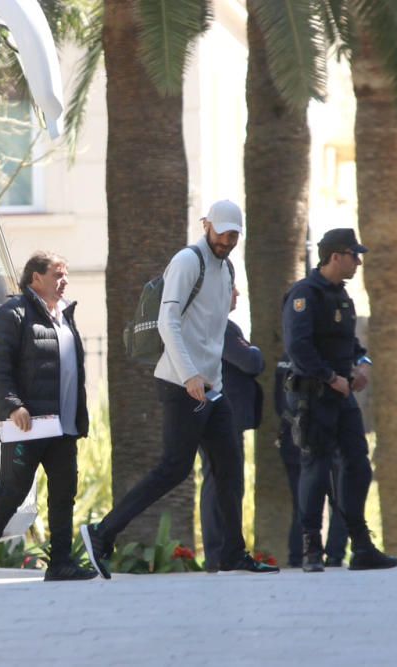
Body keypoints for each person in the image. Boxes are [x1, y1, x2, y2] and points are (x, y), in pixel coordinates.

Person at [80, 200, 278, 578]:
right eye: (222, 231)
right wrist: (189, 375)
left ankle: (233, 553)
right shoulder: (189, 261)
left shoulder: (227, 268)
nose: (227, 239)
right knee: (174, 468)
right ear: (206, 226)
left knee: (230, 468)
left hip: (210, 387)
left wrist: (211, 380)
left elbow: (213, 331)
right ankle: (102, 534)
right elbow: (167, 321)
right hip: (179, 382)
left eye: (233, 233)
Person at [0, 252, 95, 583]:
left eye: (65, 274)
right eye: (57, 274)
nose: (64, 280)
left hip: (63, 425)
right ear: (35, 278)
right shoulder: (13, 314)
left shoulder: (65, 315)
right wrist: (12, 405)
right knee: (13, 491)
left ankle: (61, 564)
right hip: (27, 424)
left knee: (63, 494)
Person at [281, 228, 397, 572]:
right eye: (354, 255)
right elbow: (298, 347)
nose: (359, 262)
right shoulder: (305, 294)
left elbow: (351, 346)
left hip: (342, 396)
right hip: (314, 395)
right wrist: (330, 377)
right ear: (336, 256)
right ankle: (311, 548)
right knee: (316, 468)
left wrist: (362, 364)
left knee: (358, 465)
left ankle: (360, 546)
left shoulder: (341, 297)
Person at [199, 286, 264, 571]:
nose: (237, 295)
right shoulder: (220, 328)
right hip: (222, 419)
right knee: (219, 482)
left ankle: (224, 551)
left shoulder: (223, 326)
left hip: (227, 419)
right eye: (232, 290)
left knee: (225, 482)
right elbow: (251, 362)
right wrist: (255, 350)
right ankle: (219, 552)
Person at [274, 355, 347, 568]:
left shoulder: (288, 358)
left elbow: (281, 404)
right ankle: (327, 555)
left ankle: (303, 556)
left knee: (305, 501)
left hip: (295, 436)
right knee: (337, 498)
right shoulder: (323, 361)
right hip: (314, 434)